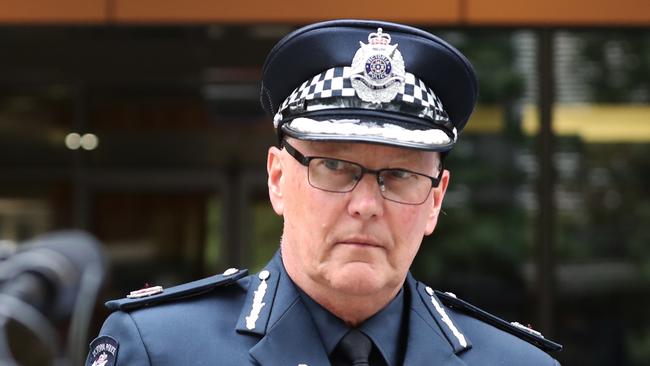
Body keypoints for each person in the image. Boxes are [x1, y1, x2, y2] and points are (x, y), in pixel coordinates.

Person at [86, 19, 562, 366]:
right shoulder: (159, 349)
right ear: (277, 179)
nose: (367, 205)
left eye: (399, 175)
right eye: (334, 167)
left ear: (435, 200)